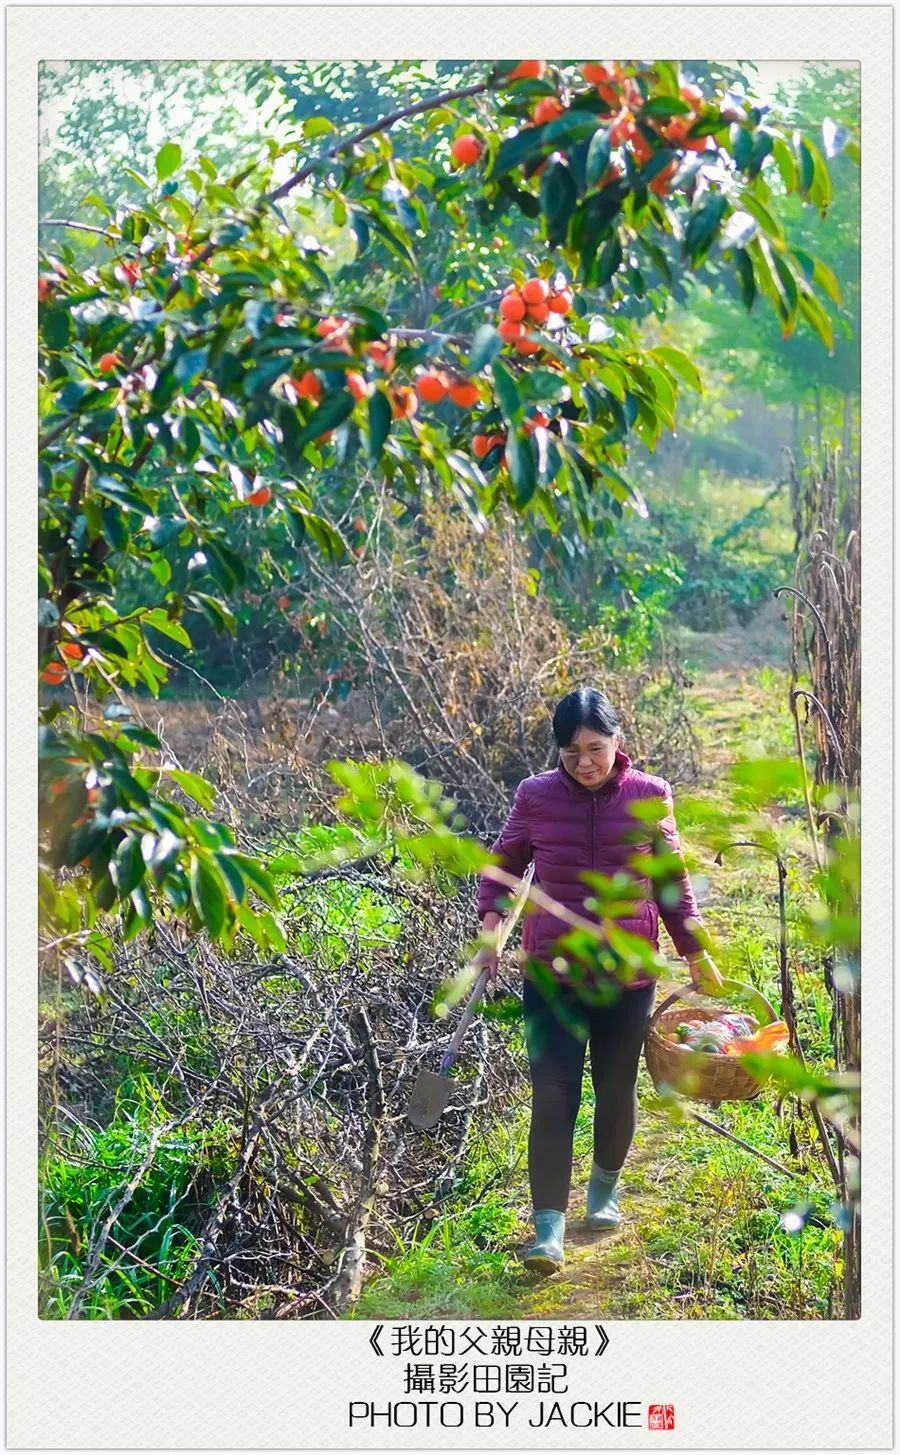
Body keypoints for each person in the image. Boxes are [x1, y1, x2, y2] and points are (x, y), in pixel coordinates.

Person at [475, 687, 723, 1274]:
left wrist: (696, 952)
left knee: (615, 1087)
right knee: (553, 1095)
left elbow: (671, 884)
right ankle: (547, 1231)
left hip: (627, 973)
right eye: (570, 752)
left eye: (594, 747)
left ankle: (605, 1188)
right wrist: (491, 927)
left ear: (618, 741)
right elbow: (503, 866)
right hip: (552, 974)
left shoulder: (650, 796)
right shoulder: (535, 797)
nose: (584, 761)